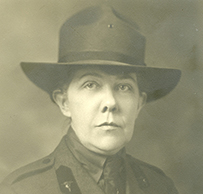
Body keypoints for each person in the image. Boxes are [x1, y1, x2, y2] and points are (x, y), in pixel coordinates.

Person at [0, 5, 181, 194]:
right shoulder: (22, 189)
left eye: (123, 87)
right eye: (91, 84)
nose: (110, 102)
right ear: (64, 102)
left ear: (139, 103)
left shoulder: (160, 187)